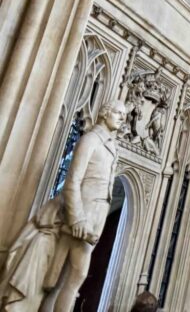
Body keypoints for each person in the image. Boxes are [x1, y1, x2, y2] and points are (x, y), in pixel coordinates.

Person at [1, 101, 127, 312]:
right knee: (76, 275)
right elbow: (73, 181)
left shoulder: (111, 146)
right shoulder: (90, 141)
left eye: (124, 115)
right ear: (105, 114)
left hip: (95, 218)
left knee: (61, 277)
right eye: (118, 113)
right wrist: (77, 218)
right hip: (81, 217)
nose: (122, 118)